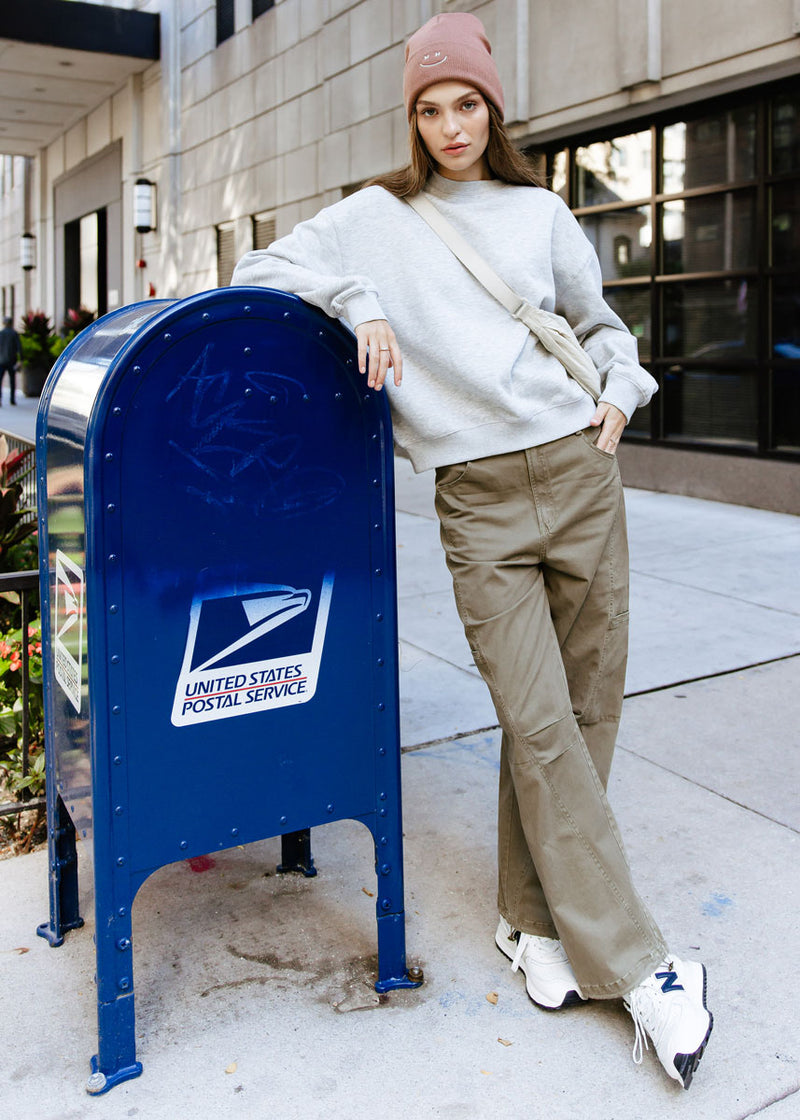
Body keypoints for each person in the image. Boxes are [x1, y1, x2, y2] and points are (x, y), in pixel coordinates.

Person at [233, 12, 713, 1089]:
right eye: (428, 107)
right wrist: (355, 301)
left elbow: (601, 330)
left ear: (491, 108)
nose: (450, 124)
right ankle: (637, 967)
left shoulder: (539, 212)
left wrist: (621, 392)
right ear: (409, 118)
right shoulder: (372, 218)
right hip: (478, 498)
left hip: (580, 472)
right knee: (538, 723)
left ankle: (524, 917)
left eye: (465, 103)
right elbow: (261, 268)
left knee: (583, 713)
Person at [0, 317, 20, 405]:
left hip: (1, 361)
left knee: (0, 380)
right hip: (12, 360)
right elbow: (19, 347)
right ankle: (12, 399)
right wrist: (21, 359)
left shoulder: (1, 333)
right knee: (12, 380)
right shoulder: (14, 333)